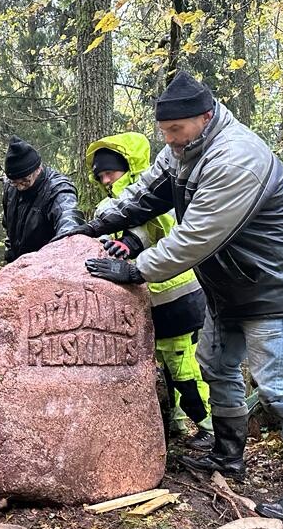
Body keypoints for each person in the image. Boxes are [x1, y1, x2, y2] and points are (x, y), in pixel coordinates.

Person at [66, 71, 283, 523]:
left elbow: (196, 236)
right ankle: (228, 456)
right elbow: (147, 193)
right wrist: (95, 225)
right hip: (227, 288)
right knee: (216, 367)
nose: (168, 140)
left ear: (205, 117)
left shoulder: (237, 158)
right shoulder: (184, 149)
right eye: (164, 131)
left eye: (175, 130)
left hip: (271, 288)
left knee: (280, 386)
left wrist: (135, 269)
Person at [86, 133, 213, 451]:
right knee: (166, 364)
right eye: (100, 174)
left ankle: (210, 425)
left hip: (178, 296)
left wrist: (129, 243)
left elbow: (160, 229)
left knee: (184, 365)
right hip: (153, 300)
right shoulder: (112, 204)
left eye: (109, 172)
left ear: (127, 167)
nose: (105, 179)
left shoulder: (152, 194)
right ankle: (178, 422)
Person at [1, 136, 84, 262]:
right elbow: (8, 227)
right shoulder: (10, 188)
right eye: (15, 182)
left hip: (48, 265)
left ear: (38, 169)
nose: (20, 187)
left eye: (25, 180)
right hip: (19, 265)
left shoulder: (58, 189)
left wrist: (64, 250)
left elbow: (69, 222)